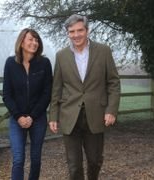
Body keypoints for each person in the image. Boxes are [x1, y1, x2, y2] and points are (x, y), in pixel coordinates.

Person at [49, 14, 121, 180]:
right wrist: (53, 115)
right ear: (68, 33)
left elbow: (113, 83)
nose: (76, 35)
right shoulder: (61, 56)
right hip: (69, 116)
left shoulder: (103, 51)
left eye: (80, 30)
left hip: (95, 115)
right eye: (71, 31)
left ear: (87, 30)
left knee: (95, 161)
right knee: (74, 166)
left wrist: (111, 110)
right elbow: (57, 88)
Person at [2, 28, 53, 180]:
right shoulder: (10, 63)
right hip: (16, 119)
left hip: (38, 118)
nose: (34, 43)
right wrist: (18, 116)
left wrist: (32, 116)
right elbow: (7, 94)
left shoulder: (44, 63)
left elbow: (47, 93)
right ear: (22, 42)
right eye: (31, 39)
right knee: (18, 159)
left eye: (36, 40)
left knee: (36, 159)